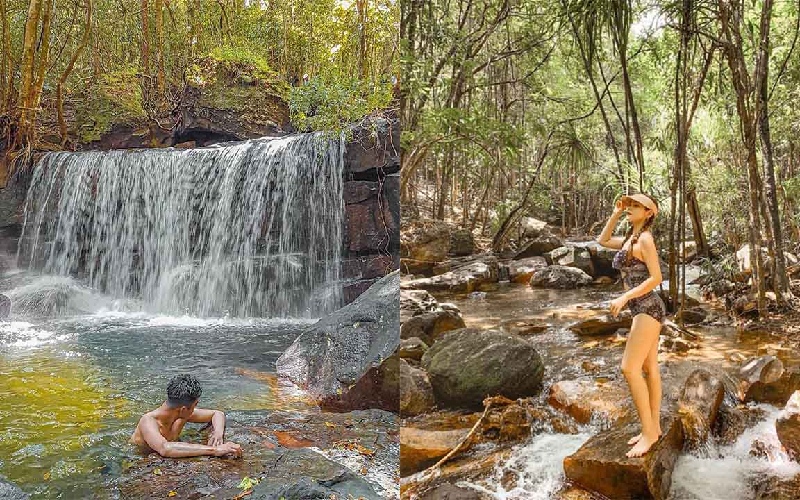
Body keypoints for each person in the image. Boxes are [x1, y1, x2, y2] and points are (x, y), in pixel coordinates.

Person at [596, 193, 667, 458]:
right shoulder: (630, 239)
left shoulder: (646, 240)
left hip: (648, 307)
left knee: (629, 368)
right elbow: (602, 241)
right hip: (643, 307)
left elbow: (656, 277)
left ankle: (648, 433)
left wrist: (625, 296)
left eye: (636, 206)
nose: (631, 208)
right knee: (649, 366)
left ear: (648, 213)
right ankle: (654, 427)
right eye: (630, 204)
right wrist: (616, 214)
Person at [130, 374, 242, 458]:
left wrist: (217, 433)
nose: (195, 408)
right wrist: (215, 450)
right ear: (183, 409)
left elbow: (217, 414)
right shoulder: (148, 421)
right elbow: (165, 448)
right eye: (195, 405)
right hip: (136, 457)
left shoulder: (181, 415)